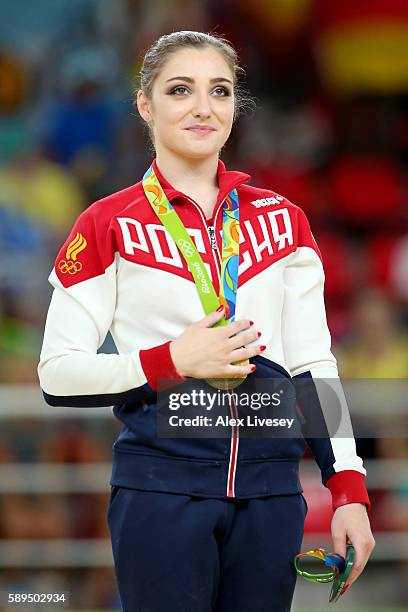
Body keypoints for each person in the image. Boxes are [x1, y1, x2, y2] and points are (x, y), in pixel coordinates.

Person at [37, 31, 375, 612]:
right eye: (180, 90)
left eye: (219, 90)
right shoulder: (107, 223)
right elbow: (56, 374)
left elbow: (313, 365)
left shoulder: (283, 220)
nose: (203, 107)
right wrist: (170, 360)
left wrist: (348, 487)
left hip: (271, 496)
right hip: (161, 493)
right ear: (145, 105)